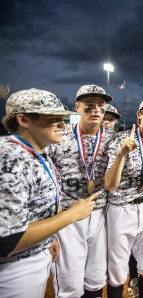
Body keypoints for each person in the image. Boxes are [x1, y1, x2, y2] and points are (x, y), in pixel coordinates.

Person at [0, 88, 99, 297]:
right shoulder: (10, 157)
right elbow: (6, 239)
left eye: (62, 118)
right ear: (23, 120)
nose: (63, 124)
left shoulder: (35, 152)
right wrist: (70, 215)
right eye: (53, 119)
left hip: (31, 256)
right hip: (12, 270)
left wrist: (49, 237)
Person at [48, 84, 115, 298]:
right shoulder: (59, 136)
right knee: (70, 286)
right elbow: (48, 185)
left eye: (100, 106)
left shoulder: (113, 138)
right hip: (68, 216)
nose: (96, 110)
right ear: (77, 107)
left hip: (100, 213)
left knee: (96, 280)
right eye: (89, 106)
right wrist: (50, 231)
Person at [104, 97, 143, 298]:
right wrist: (122, 153)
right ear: (139, 115)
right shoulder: (120, 139)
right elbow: (110, 185)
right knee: (117, 269)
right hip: (121, 208)